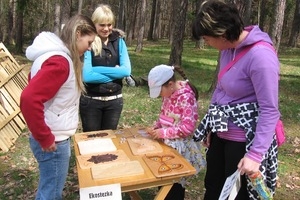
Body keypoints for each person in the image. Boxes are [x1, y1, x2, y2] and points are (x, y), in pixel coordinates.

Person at [192, 0, 280, 199]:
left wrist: (255, 155)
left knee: (236, 195)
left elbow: (270, 110)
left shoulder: (261, 57)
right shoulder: (227, 50)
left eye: (206, 38)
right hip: (221, 135)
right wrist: (212, 126)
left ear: (221, 33)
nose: (206, 43)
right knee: (213, 188)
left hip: (243, 142)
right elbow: (220, 89)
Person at [20, 15, 96, 199]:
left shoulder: (49, 56)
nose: (90, 47)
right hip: (54, 140)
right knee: (50, 194)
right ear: (78, 34)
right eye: (89, 41)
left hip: (52, 135)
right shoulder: (60, 62)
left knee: (50, 189)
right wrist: (45, 138)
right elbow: (29, 98)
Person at [147, 64, 206, 200]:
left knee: (174, 184)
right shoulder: (168, 94)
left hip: (179, 148)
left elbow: (187, 128)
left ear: (171, 84)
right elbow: (165, 115)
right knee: (163, 179)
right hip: (166, 144)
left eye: (160, 91)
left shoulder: (186, 98)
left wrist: (163, 133)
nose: (160, 95)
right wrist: (157, 127)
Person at [79, 4, 132, 131]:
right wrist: (116, 72)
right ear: (94, 24)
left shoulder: (119, 41)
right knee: (92, 142)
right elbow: (87, 76)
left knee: (109, 141)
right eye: (102, 25)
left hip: (114, 101)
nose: (106, 28)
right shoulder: (88, 42)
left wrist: (95, 70)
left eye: (109, 24)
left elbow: (126, 71)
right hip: (91, 101)